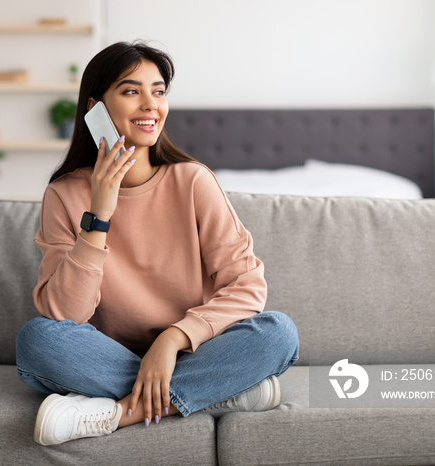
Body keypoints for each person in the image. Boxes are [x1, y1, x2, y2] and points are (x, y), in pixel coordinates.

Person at [16, 41, 299, 446]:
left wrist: (171, 340)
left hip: (193, 349)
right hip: (106, 356)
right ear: (96, 108)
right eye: (131, 91)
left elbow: (247, 287)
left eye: (159, 91)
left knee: (278, 333)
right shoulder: (64, 194)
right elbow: (65, 313)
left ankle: (120, 413)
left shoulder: (193, 182)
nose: (151, 105)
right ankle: (215, 392)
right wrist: (98, 216)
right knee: (37, 340)